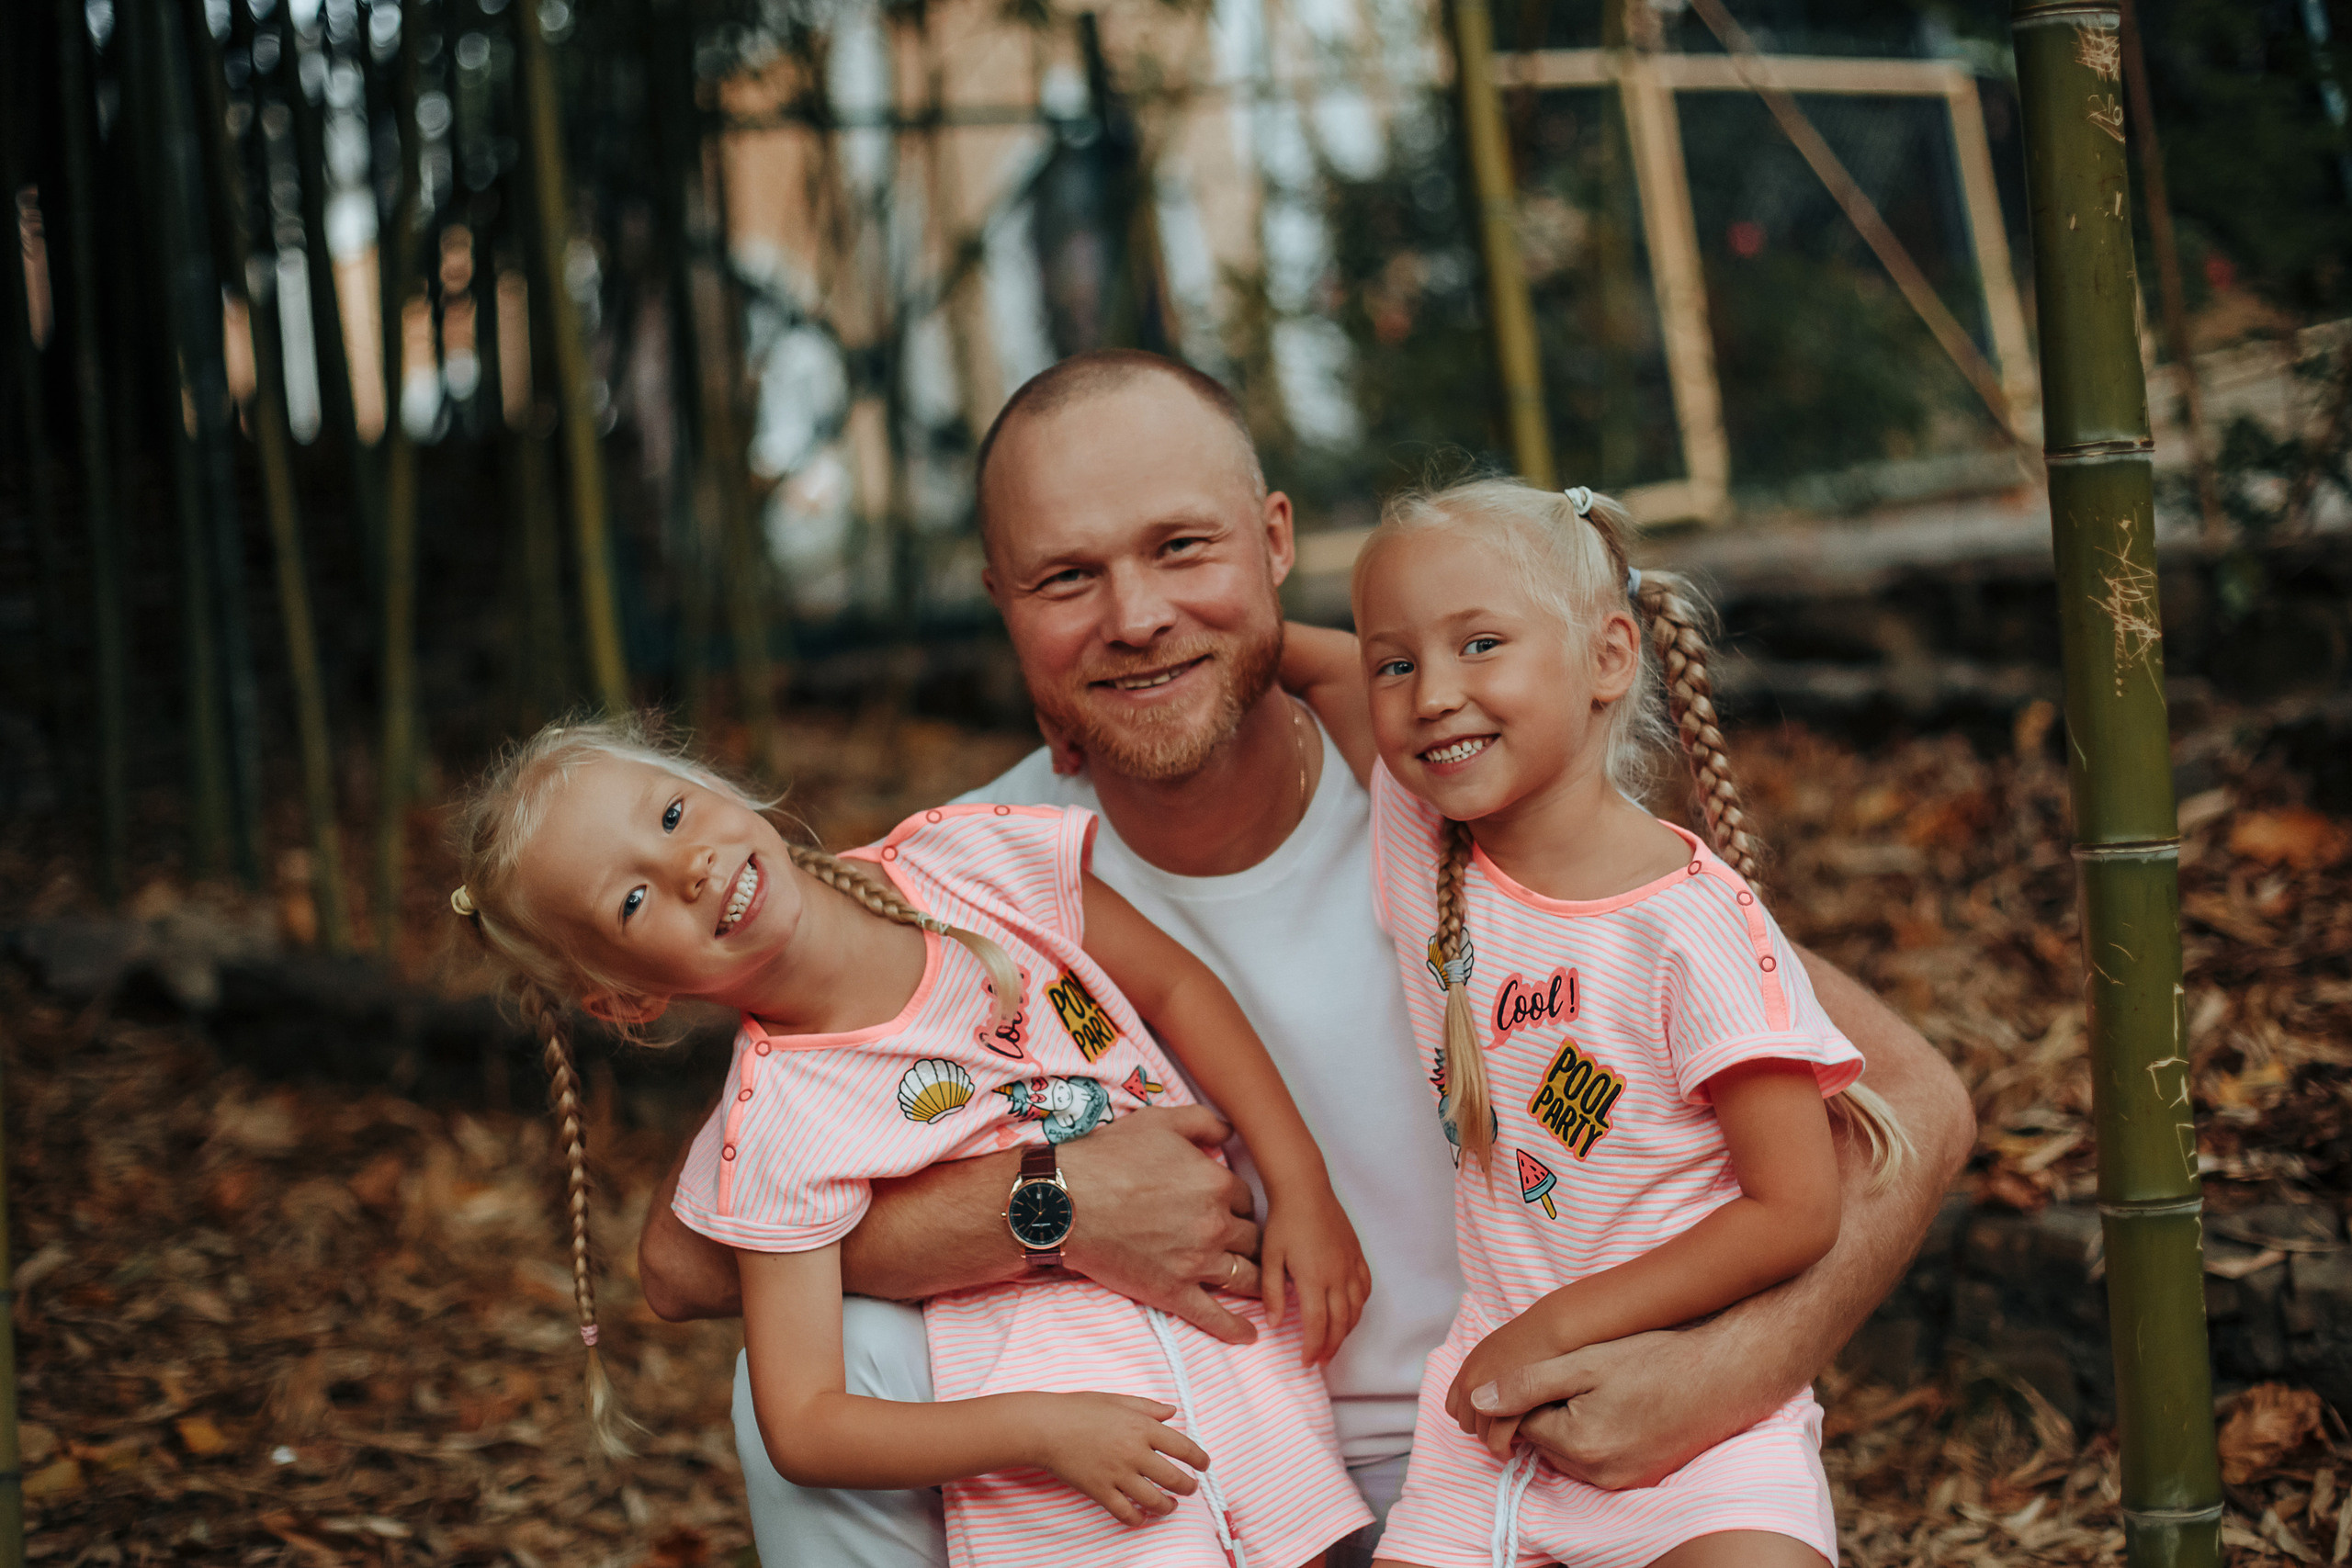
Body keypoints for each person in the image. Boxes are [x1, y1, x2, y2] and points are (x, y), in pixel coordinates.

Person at [635, 351, 1976, 1568]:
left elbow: (1912, 1100)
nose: (1137, 614)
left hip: (1525, 1427)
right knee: (823, 1361)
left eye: (1182, 548)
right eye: (1066, 577)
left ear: (1275, 541)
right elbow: (687, 1260)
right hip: (1196, 1479)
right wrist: (1046, 1205)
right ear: (1002, 601)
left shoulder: (1459, 794)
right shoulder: (965, 878)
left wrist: (1730, 1371)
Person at [447, 716, 1374, 1567]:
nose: (685, 867)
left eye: (673, 813)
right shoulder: (778, 1125)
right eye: (632, 902)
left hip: (1234, 1355)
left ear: (721, 786)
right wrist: (1038, 1432)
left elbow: (1176, 986)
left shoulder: (967, 863)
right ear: (625, 999)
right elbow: (805, 1424)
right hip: (1072, 1481)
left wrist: (1302, 1185)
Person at [1288, 475, 1905, 1568]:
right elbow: (1313, 661)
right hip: (1485, 1433)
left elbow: (1794, 1208)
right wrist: (1156, 654)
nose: (1431, 693)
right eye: (1401, 662)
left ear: (1610, 658)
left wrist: (1562, 1327)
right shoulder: (1423, 839)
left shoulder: (1691, 928)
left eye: (1480, 645)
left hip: (1697, 1431)